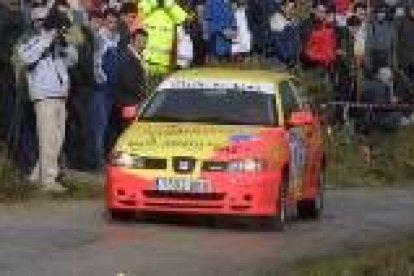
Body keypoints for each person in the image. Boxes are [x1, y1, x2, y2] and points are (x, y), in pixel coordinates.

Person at [17, 0, 78, 191]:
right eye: (41, 21)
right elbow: (26, 57)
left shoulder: (57, 39)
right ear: (35, 22)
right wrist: (46, 39)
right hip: (43, 96)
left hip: (60, 95)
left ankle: (37, 175)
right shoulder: (29, 41)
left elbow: (73, 60)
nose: (44, 23)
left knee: (57, 140)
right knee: (47, 138)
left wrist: (65, 43)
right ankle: (48, 181)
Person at [91, 8, 120, 170]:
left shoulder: (116, 38)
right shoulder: (99, 39)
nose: (112, 25)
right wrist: (102, 81)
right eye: (109, 22)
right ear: (104, 21)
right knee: (99, 126)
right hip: (101, 89)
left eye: (115, 22)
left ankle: (103, 158)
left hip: (112, 90)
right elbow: (96, 64)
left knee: (107, 125)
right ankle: (97, 162)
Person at [141, 0, 188, 75]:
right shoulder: (146, 5)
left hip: (165, 64)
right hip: (145, 62)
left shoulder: (172, 8)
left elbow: (182, 18)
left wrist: (166, 3)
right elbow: (143, 9)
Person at [267, 0, 300, 68]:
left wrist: (295, 60)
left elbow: (296, 44)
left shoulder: (295, 23)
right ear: (282, 7)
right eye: (288, 7)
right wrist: (288, 60)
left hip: (291, 62)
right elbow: (278, 44)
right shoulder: (276, 20)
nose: (290, 10)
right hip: (278, 61)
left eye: (293, 8)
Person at [365, 4, 396, 72]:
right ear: (376, 13)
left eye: (383, 12)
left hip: (387, 57)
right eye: (379, 12)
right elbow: (368, 45)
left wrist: (393, 63)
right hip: (375, 56)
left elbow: (393, 44)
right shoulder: (371, 25)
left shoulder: (390, 25)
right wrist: (369, 63)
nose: (381, 14)